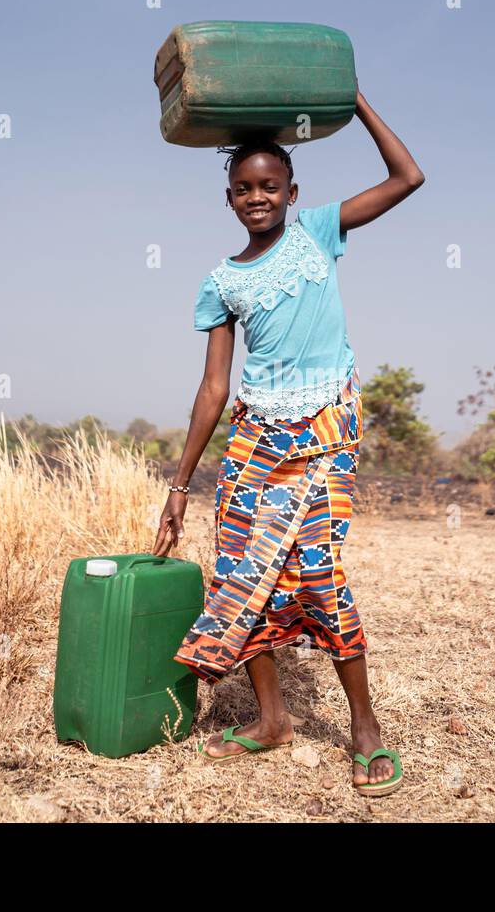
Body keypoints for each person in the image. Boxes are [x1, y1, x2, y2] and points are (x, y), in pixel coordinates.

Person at [152, 87, 424, 795]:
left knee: (320, 574)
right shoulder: (221, 282)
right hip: (252, 443)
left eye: (269, 186)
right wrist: (179, 488)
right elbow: (213, 388)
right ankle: (271, 720)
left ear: (291, 191)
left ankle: (365, 727)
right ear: (228, 198)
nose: (257, 197)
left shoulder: (319, 233)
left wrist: (357, 100)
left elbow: (408, 178)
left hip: (324, 432)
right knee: (244, 577)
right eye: (243, 188)